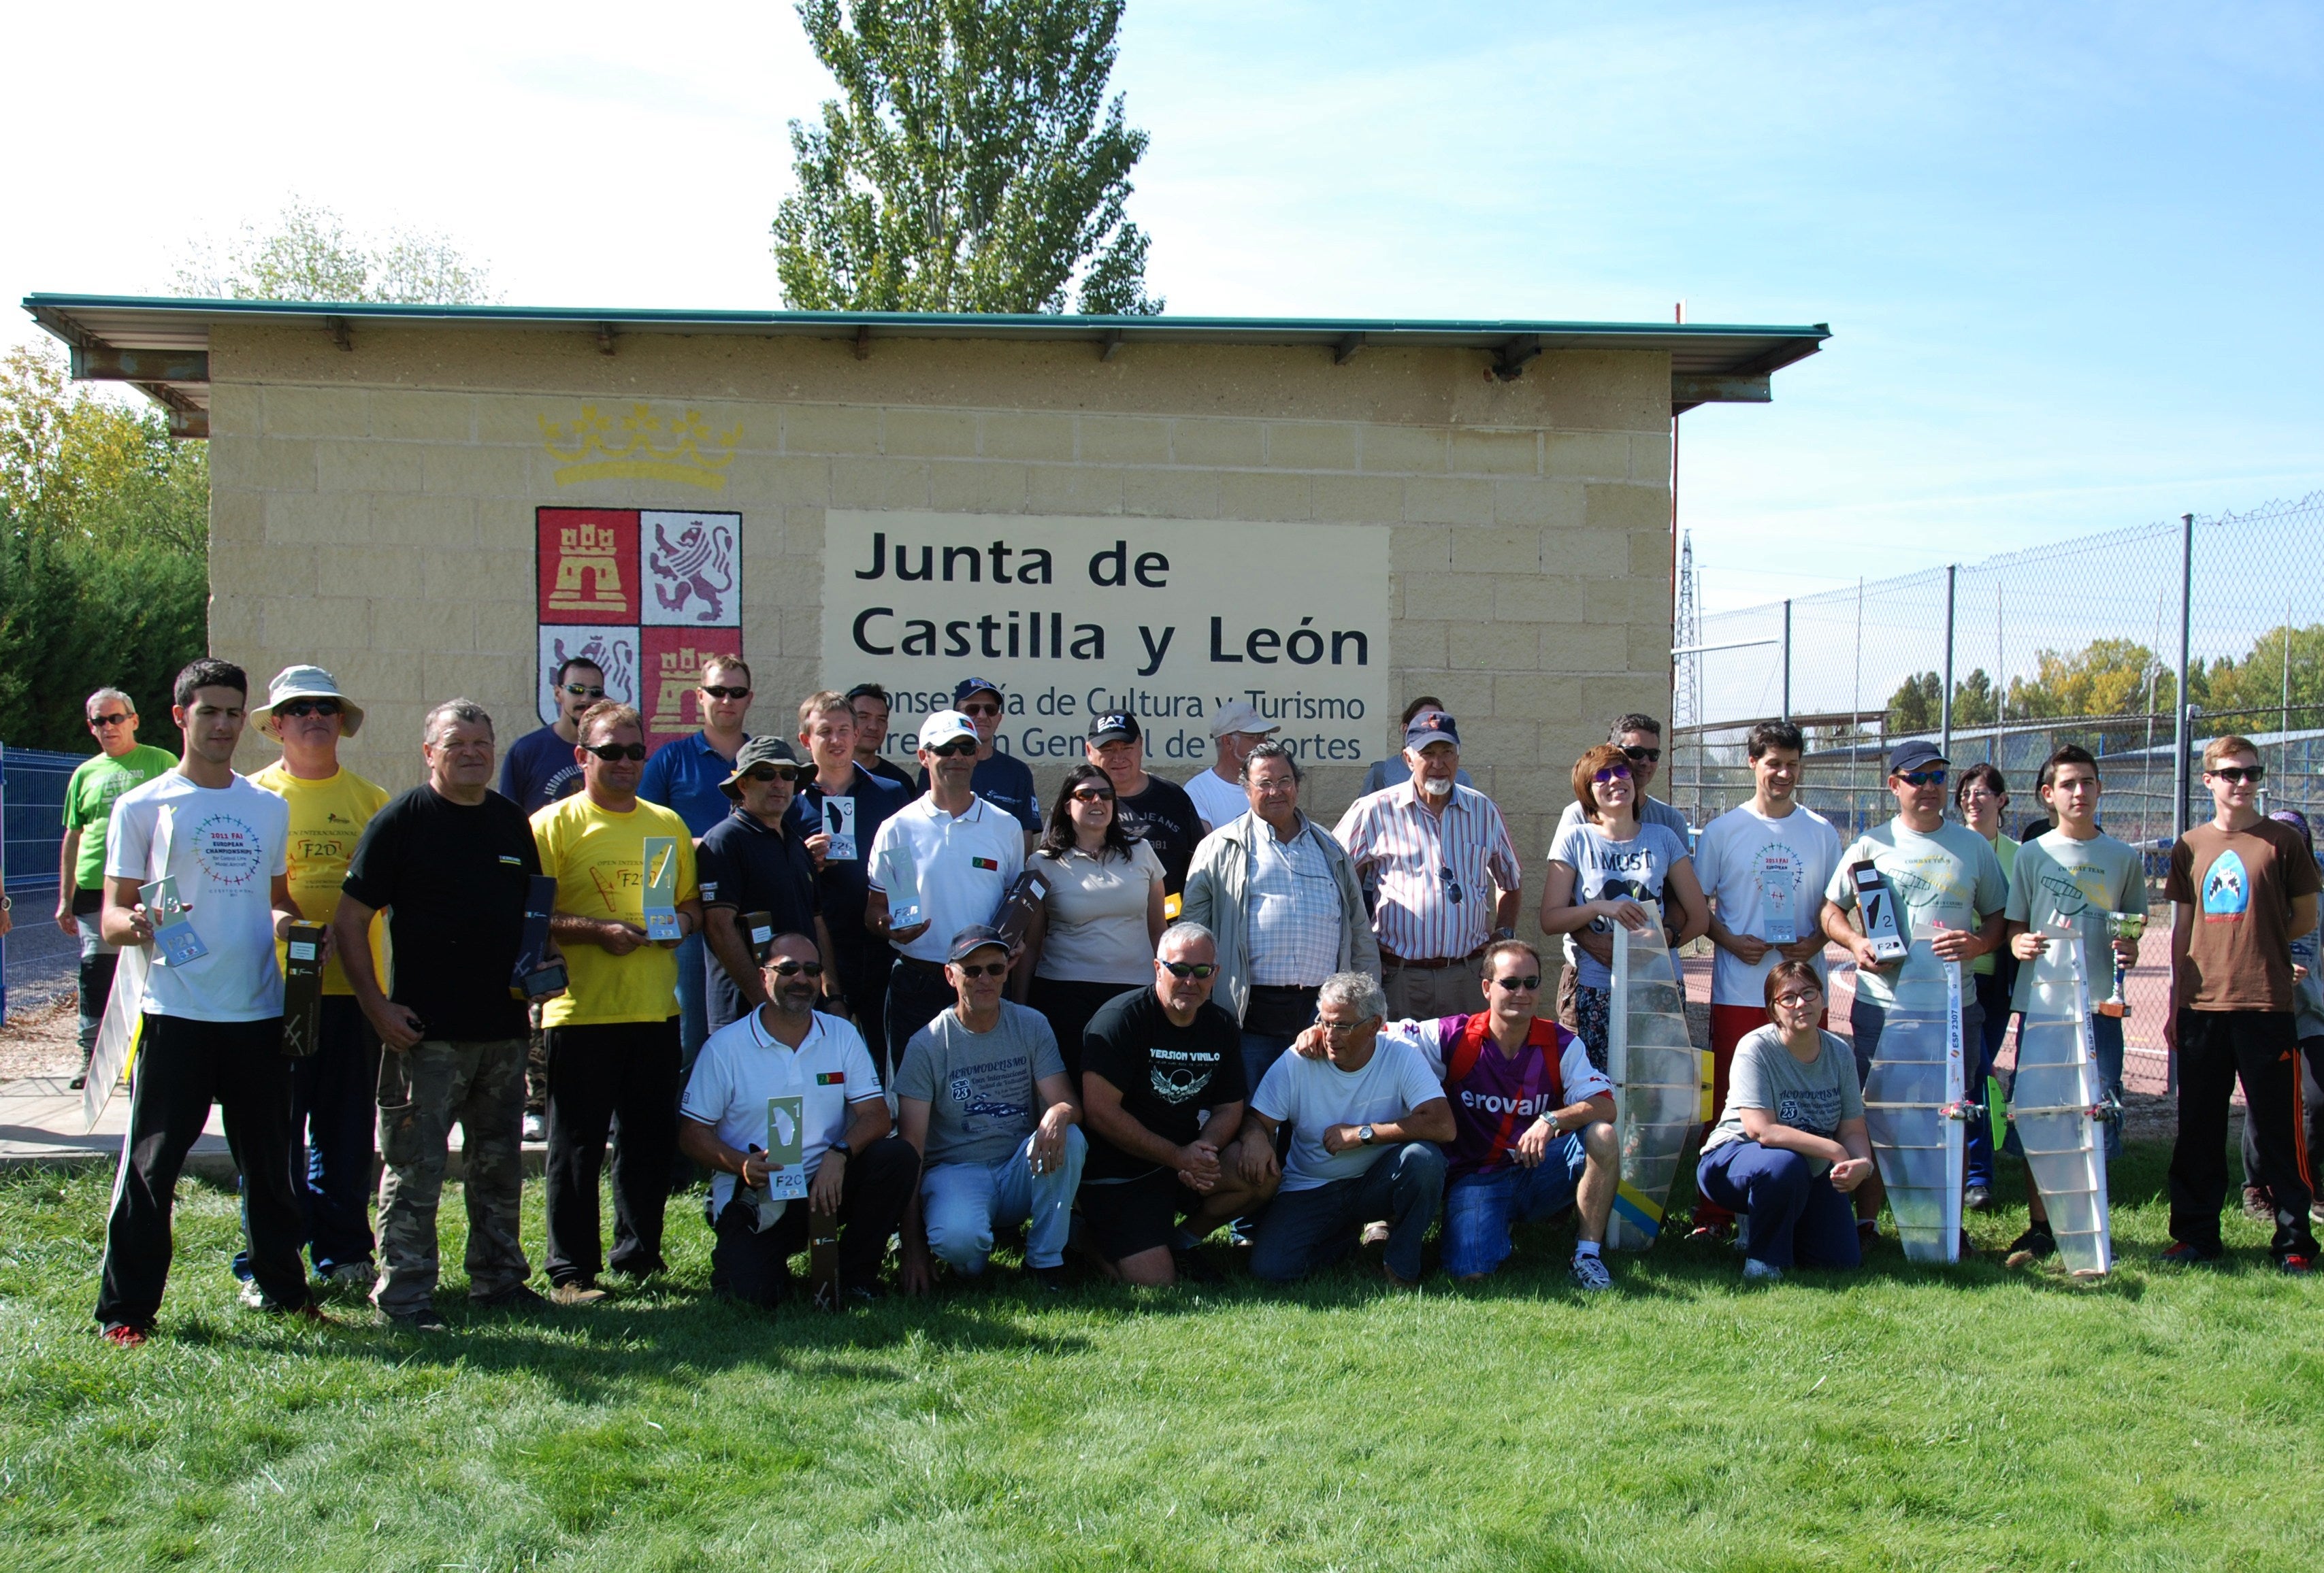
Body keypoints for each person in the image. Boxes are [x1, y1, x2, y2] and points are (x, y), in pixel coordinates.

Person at [93, 659, 314, 1344]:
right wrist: (141, 924)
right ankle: (127, 1313)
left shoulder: (267, 807)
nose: (221, 724)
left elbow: (276, 902)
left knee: (272, 1168)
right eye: (208, 711)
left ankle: (285, 1293)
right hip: (175, 1012)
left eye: (230, 712)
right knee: (152, 1169)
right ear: (179, 715)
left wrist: (298, 931)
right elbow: (111, 916)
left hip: (255, 1013)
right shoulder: (144, 806)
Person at [335, 699, 547, 1330]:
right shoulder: (402, 820)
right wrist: (377, 1008)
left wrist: (541, 973)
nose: (473, 754)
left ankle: (499, 1281)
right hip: (423, 1035)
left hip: (502, 1033)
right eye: (457, 744)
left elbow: (531, 917)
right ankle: (403, 1296)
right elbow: (350, 920)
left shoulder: (511, 822)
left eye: (483, 743)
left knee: (498, 1164)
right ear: (430, 752)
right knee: (415, 1169)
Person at [531, 701, 705, 1304]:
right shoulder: (552, 826)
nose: (627, 762)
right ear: (582, 757)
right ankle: (570, 1272)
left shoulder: (666, 824)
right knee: (577, 1147)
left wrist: (676, 926)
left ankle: (638, 1255)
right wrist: (597, 931)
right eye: (611, 751)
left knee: (648, 1142)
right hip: (581, 1011)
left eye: (636, 751)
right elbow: (535, 917)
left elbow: (690, 906)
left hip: (656, 1009)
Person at [1820, 740, 2006, 1235]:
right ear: (1894, 786)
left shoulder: (1972, 846)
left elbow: (1998, 918)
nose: (1928, 787)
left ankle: (1946, 1227)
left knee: (1950, 1114)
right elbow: (1829, 909)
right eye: (1916, 778)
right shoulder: (1869, 845)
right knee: (1874, 1115)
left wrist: (1978, 943)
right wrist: (1856, 942)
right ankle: (1867, 1223)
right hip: (1881, 1004)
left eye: (1936, 777)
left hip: (1951, 1005)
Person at [246, 665, 392, 1293]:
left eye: (325, 708)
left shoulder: (374, 803)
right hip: (270, 995)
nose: (314, 717)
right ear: (277, 724)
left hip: (354, 994)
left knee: (347, 1130)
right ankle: (267, 1261)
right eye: (299, 708)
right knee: (273, 1134)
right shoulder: (249, 798)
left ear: (342, 723)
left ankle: (345, 1254)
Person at [679, 931, 917, 1306]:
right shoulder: (726, 1048)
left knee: (897, 1158)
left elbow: (876, 1115)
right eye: (788, 969)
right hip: (760, 1191)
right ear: (763, 977)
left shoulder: (841, 1035)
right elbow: (692, 1133)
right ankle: (746, 1245)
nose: (801, 980)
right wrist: (741, 1165)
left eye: (811, 970)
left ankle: (856, 1275)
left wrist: (839, 1154)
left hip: (827, 1183)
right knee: (750, 1297)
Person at [2161, 735, 2321, 1270]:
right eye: (2231, 774)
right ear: (2208, 780)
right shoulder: (2189, 846)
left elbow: (2304, 917)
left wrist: (2263, 942)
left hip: (2267, 1006)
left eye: (2251, 773)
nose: (2243, 783)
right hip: (2202, 1008)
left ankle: (2294, 1242)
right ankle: (2195, 1235)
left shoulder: (2282, 843)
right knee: (2198, 1129)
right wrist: (2173, 1002)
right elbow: (2183, 926)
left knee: (2279, 1131)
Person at [1392, 940, 1618, 1289]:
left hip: (1539, 1169)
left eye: (1531, 983)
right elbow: (1381, 1032)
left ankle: (1587, 1256)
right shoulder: (1454, 1036)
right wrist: (1322, 1029)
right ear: (1487, 988)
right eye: (1510, 984)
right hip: (1477, 1178)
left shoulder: (1562, 1043)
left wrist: (1551, 1120)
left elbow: (1606, 1104)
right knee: (1471, 1273)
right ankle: (1493, 1223)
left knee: (1602, 1135)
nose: (1522, 993)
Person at [1688, 720, 1841, 1237]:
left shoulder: (1820, 832)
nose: (1783, 773)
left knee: (1800, 1101)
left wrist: (1816, 943)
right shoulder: (1723, 830)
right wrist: (1729, 941)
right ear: (1751, 763)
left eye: (1792, 764)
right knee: (1733, 1100)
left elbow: (1832, 907)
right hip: (1739, 989)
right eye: (1773, 762)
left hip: (1800, 994)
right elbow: (1698, 905)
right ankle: (1714, 1213)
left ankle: (1794, 1202)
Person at [2000, 744, 2145, 1263]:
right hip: (2042, 1005)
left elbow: (2131, 927)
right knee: (2039, 1112)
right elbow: (2015, 928)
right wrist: (2019, 945)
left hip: (2097, 1009)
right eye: (2067, 784)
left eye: (2087, 782)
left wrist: (2129, 946)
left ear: (2099, 789)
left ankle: (2089, 1224)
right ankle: (2040, 1228)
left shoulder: (2122, 858)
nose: (2078, 792)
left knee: (2095, 1114)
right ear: (2048, 795)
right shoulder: (2031, 856)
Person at [1181, 740, 1378, 1092]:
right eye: (1264, 783)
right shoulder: (1218, 847)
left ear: (1297, 785)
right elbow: (1193, 934)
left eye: (1284, 781)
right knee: (1250, 1123)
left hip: (1322, 1019)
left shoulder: (1329, 847)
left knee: (1313, 1124)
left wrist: (1365, 1004)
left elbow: (1359, 931)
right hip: (1250, 1018)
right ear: (1246, 789)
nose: (1276, 791)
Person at [896, 925, 1085, 1291]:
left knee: (1071, 1138)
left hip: (1018, 1166)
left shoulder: (1030, 1025)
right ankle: (970, 1246)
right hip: (956, 1172)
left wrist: (1059, 1113)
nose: (985, 979)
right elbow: (911, 1152)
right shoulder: (927, 1045)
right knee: (962, 1251)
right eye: (972, 971)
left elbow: (1069, 1103)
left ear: (1006, 973)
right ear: (950, 976)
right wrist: (913, 1246)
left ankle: (1044, 1262)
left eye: (995, 969)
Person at [1239, 970, 1454, 1286]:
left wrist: (1363, 1134)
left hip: (1376, 1182)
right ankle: (1342, 1242)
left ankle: (1402, 1266)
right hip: (1311, 1186)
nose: (1330, 1035)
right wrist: (1256, 1138)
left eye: (1342, 1026)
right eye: (1324, 1022)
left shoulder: (1401, 1053)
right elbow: (1256, 1120)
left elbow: (1443, 1125)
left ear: (1374, 1026)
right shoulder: (1299, 1060)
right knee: (1271, 1270)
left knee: (1424, 1160)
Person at [1078, 923, 1265, 1285]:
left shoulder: (1221, 1025)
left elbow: (1229, 1107)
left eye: (1201, 971)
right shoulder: (1121, 1020)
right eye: (1178, 969)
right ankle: (1082, 1235)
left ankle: (1179, 1243)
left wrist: (1204, 1152)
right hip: (1120, 1168)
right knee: (1156, 1283)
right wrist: (1177, 1156)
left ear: (1216, 975)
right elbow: (1100, 1112)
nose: (1190, 981)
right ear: (1157, 968)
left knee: (1260, 1175)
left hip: (1182, 1162)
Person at [866, 708, 1027, 1078]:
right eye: (945, 748)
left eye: (966, 748)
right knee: (912, 1092)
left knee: (980, 1090)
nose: (957, 757)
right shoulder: (897, 828)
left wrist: (1016, 941)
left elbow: (1017, 904)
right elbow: (875, 908)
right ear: (924, 756)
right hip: (918, 979)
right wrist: (887, 927)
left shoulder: (1006, 826)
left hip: (982, 981)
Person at [1332, 712, 1524, 1020]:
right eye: (1428, 754)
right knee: (1399, 1065)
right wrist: (1360, 945)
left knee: (1466, 1066)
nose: (1439, 764)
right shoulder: (1374, 811)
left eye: (1447, 752)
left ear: (1458, 756)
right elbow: (1335, 878)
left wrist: (1502, 935)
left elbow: (1510, 881)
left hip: (1468, 976)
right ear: (1408, 759)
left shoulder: (1484, 811)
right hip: (1399, 977)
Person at [1694, 962, 1873, 1282]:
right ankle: (1762, 1261)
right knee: (1783, 1164)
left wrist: (1862, 1163)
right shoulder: (1756, 1047)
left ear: (1822, 998)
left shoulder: (1840, 1053)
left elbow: (1853, 1128)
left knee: (1839, 1261)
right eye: (1788, 998)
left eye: (1809, 993)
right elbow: (1760, 1129)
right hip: (1734, 1158)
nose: (1801, 1003)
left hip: (1809, 1167)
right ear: (1773, 1010)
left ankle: (1774, 1222)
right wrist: (1833, 1149)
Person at [1540, 743, 1708, 1070]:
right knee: (1602, 1088)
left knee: (1655, 1091)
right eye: (1602, 776)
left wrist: (1663, 942)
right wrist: (1601, 908)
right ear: (1588, 793)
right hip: (1600, 988)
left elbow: (1699, 918)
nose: (1615, 781)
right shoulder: (1575, 839)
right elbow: (1550, 919)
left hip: (1658, 987)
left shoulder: (1664, 838)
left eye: (1621, 772)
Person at [638, 655, 755, 1081]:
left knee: (747, 1032)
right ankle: (683, 1143)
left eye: (736, 692)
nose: (727, 700)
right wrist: (706, 845)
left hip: (747, 915)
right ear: (699, 697)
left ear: (749, 699)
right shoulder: (671, 759)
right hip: (687, 914)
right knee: (692, 1034)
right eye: (718, 691)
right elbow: (642, 833)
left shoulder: (761, 761)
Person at [1012, 763, 1166, 1075]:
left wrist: (1167, 988)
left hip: (1135, 992)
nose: (1097, 801)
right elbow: (1032, 943)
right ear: (1067, 806)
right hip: (1064, 994)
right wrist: (1018, 1008)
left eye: (1105, 795)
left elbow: (1158, 931)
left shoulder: (1143, 852)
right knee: (1071, 1086)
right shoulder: (1041, 863)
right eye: (1086, 795)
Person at [56, 688, 176, 1091]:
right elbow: (73, 836)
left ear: (134, 720)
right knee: (96, 970)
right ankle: (92, 1060)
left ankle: (154, 1058)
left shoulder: (161, 762)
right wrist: (65, 898)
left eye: (115, 718)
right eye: (98, 721)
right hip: (94, 889)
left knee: (161, 970)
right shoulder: (85, 774)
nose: (108, 727)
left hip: (148, 887)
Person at [1549, 714, 1692, 1027]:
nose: (1644, 762)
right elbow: (1564, 903)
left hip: (1652, 973)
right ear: (1611, 749)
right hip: (1590, 970)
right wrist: (1598, 946)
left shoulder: (1669, 824)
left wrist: (1663, 939)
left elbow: (1682, 901)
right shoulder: (1577, 819)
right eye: (1634, 753)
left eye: (1653, 755)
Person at [697, 736, 839, 1034]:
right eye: (765, 774)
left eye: (788, 775)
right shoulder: (725, 840)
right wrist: (763, 1003)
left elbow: (816, 923)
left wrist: (832, 994)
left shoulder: (796, 844)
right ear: (743, 785)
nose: (779, 783)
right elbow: (719, 927)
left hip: (801, 1011)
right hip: (744, 1015)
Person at [790, 690, 908, 1046]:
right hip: (819, 952)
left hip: (881, 948)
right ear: (805, 740)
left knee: (885, 1058)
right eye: (825, 731)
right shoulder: (790, 801)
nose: (837, 740)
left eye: (844, 730)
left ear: (856, 736)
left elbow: (905, 865)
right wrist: (803, 862)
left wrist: (904, 918)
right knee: (822, 1057)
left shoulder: (891, 793)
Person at [2240, 809, 2324, 1229]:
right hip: (2264, 1010)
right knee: (2264, 1100)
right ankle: (2257, 1186)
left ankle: (2310, 1183)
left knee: (2317, 1100)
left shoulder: (2317, 897)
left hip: (2312, 1016)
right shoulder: (2252, 888)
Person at [1954, 762, 2019, 1211]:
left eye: (1982, 792)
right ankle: (1965, 1172)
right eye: (1966, 793)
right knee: (1965, 1074)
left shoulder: (2020, 855)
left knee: (1979, 1071)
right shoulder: (1949, 846)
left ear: (2001, 800)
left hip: (1995, 978)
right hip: (1949, 976)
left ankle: (1977, 1172)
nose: (1972, 800)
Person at [1083, 711, 1205, 899]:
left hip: (1171, 922)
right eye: (1108, 749)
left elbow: (1201, 867)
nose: (1118, 758)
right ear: (1089, 752)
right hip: (1098, 924)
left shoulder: (1174, 798)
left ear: (1141, 745)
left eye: (1127, 747)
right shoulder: (1078, 802)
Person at [916, 676, 1040, 843]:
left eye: (990, 710)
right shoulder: (939, 767)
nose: (982, 716)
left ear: (999, 718)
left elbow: (1024, 835)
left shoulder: (1018, 772)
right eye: (973, 709)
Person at [502, 656, 602, 814]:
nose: (586, 699)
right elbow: (506, 816)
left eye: (596, 692)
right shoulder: (526, 750)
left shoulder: (610, 752)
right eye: (577, 690)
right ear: (558, 693)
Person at [1183, 699, 1278, 831]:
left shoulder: (1272, 787)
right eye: (1256, 737)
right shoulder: (1199, 791)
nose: (1264, 743)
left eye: (1264, 736)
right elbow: (1205, 848)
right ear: (1227, 742)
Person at [1359, 697, 1475, 797]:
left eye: (1437, 719)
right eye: (1428, 753)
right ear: (1406, 729)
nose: (1437, 764)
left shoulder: (1462, 780)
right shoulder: (1381, 775)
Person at [846, 682, 917, 791]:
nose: (873, 727)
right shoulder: (816, 777)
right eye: (864, 717)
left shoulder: (900, 782)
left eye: (881, 720)